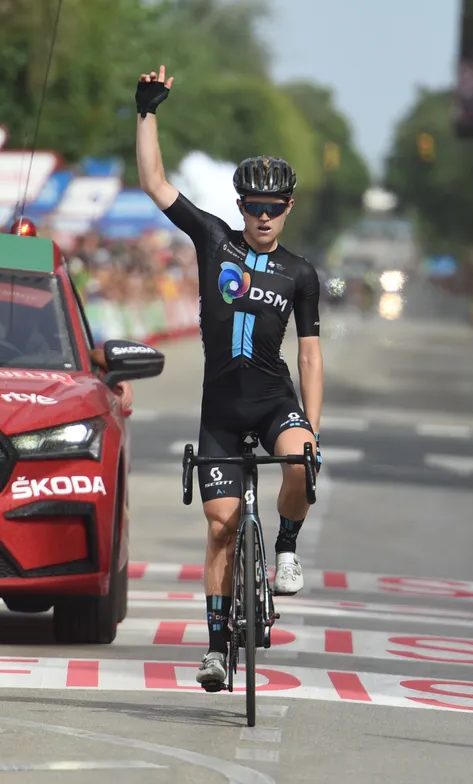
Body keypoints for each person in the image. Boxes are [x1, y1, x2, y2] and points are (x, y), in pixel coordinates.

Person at [134, 65, 324, 692]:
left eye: (273, 209)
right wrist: (147, 112)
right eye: (253, 207)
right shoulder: (214, 240)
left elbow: (311, 356)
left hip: (273, 404)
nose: (263, 217)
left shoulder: (300, 274)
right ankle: (216, 649)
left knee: (298, 462)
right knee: (221, 525)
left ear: (288, 209)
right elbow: (155, 183)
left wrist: (312, 433)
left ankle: (288, 548)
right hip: (220, 412)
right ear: (240, 206)